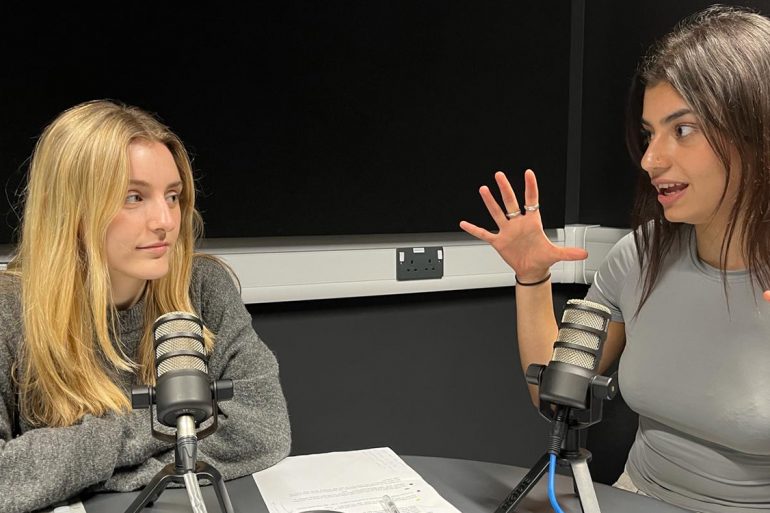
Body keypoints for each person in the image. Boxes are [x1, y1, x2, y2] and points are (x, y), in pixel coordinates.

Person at [461, 5, 770, 513]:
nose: (651, 158)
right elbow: (556, 393)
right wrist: (533, 277)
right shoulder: (640, 257)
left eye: (683, 130)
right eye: (649, 133)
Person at [0, 100, 291, 513]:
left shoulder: (203, 286)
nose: (166, 221)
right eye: (134, 197)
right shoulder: (9, 311)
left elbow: (263, 429)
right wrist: (172, 430)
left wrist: (77, 472)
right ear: (72, 209)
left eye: (172, 196)